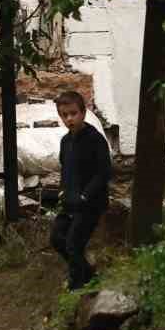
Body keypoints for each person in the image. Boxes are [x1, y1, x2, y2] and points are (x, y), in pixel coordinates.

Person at [51, 89, 112, 290]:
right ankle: (88, 274)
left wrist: (85, 195)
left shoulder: (95, 139)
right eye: (64, 115)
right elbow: (65, 169)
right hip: (70, 201)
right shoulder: (65, 142)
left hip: (91, 202)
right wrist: (63, 191)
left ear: (83, 113)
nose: (69, 119)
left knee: (73, 243)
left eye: (73, 113)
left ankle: (76, 287)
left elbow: (104, 173)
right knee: (57, 238)